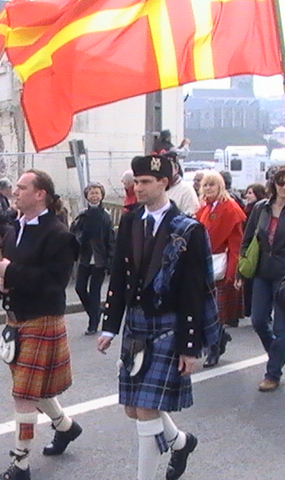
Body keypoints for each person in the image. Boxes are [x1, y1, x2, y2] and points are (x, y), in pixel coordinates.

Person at [97, 154, 219, 480]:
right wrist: (109, 326)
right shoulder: (131, 220)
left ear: (164, 182)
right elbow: (119, 278)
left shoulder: (188, 230)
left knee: (146, 408)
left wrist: (189, 346)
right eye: (136, 182)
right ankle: (179, 443)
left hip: (167, 326)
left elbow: (194, 290)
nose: (139, 187)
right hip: (136, 325)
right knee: (133, 409)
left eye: (146, 182)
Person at [0, 169, 81, 480]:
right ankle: (66, 427)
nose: (15, 192)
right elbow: (3, 270)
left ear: (40, 194)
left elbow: (55, 282)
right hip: (16, 319)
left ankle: (20, 463)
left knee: (23, 393)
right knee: (31, 388)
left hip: (42, 318)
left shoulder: (59, 234)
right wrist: (0, 282)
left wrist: (11, 272)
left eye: (22, 187)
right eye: (15, 188)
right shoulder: (13, 228)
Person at [240, 167, 285, 392]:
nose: (284, 187)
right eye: (281, 182)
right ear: (274, 184)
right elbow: (247, 240)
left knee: (281, 328)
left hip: (283, 275)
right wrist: (242, 268)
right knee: (258, 320)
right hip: (261, 272)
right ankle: (278, 354)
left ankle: (272, 373)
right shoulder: (261, 208)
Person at [195, 171, 245, 367]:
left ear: (220, 187)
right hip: (205, 264)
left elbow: (236, 244)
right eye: (205, 185)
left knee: (216, 312)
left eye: (212, 185)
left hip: (220, 265)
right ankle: (219, 339)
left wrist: (233, 272)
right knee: (206, 311)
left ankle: (213, 348)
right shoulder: (205, 208)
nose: (208, 189)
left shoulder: (230, 209)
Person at [70, 182, 115, 335]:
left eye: (97, 193)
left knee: (95, 291)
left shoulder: (106, 216)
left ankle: (93, 324)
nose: (94, 196)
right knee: (80, 288)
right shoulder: (83, 214)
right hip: (85, 257)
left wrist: (110, 260)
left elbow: (110, 240)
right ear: (87, 195)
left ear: (102, 196)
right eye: (91, 193)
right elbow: (74, 233)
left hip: (100, 259)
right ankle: (96, 312)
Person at [241, 183, 268, 318]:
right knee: (259, 321)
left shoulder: (258, 208)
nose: (247, 196)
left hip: (277, 265)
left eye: (250, 193)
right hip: (258, 260)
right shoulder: (257, 208)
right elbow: (247, 236)